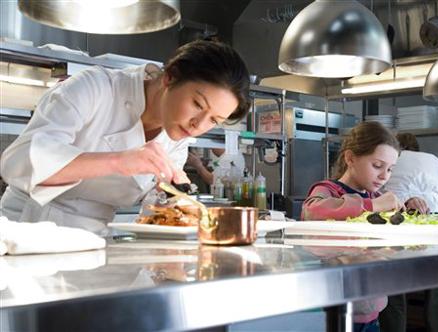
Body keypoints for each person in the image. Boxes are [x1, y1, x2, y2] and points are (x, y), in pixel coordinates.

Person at [0, 40, 251, 233]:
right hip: (24, 231)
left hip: (92, 243)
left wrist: (171, 198)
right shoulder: (95, 88)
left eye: (214, 121)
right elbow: (18, 162)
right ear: (170, 76)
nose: (198, 125)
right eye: (197, 104)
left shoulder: (177, 136)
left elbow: (154, 203)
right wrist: (117, 161)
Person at [301, 121, 426, 331]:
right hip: (337, 313)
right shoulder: (328, 190)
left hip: (372, 315)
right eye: (377, 166)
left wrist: (410, 207)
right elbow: (312, 211)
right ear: (350, 158)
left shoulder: (376, 196)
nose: (384, 175)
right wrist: (372, 205)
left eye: (390, 169)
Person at [379, 132, 438, 332]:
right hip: (434, 226)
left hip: (396, 227)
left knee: (393, 290)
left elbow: (381, 196)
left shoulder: (390, 162)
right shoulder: (433, 161)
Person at [384, 133, 438, 213]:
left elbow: (379, 192)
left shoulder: (391, 158)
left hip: (397, 211)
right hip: (434, 209)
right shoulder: (434, 159)